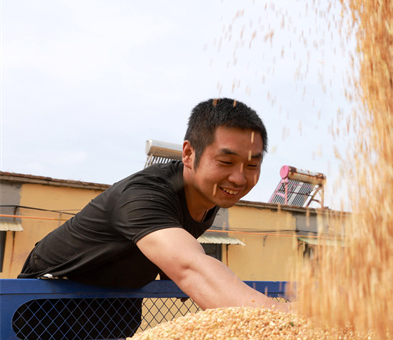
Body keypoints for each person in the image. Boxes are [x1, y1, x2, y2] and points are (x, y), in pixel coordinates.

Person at [19, 98, 286, 312]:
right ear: (189, 154)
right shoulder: (143, 195)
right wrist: (283, 318)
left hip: (118, 307)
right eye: (226, 162)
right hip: (48, 306)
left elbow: (174, 248)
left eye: (252, 165)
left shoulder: (209, 195)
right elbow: (191, 266)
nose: (239, 178)